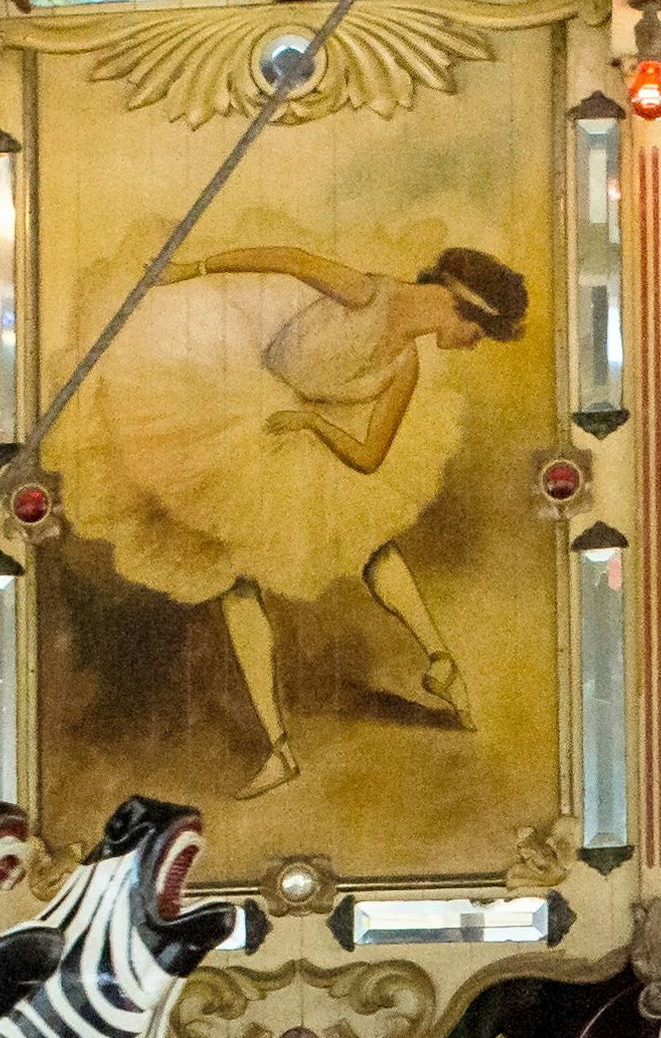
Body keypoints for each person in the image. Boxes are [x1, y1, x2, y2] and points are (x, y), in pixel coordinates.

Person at [66, 241, 529, 799]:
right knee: (237, 576)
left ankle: (435, 663)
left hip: (294, 432)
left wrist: (311, 422)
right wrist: (191, 269)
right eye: (478, 334)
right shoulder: (367, 292)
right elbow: (284, 260)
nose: (472, 347)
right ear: (462, 307)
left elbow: (368, 458)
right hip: (240, 407)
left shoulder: (404, 366)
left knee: (364, 543)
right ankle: (280, 746)